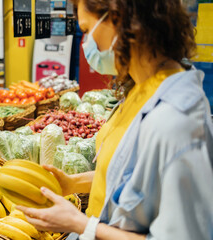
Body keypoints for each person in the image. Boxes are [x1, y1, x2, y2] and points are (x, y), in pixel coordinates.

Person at [17, 0, 213, 239]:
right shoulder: (140, 89)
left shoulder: (177, 120)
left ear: (119, 19)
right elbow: (128, 176)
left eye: (87, 30)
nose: (86, 43)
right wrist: (71, 183)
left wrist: (80, 224)